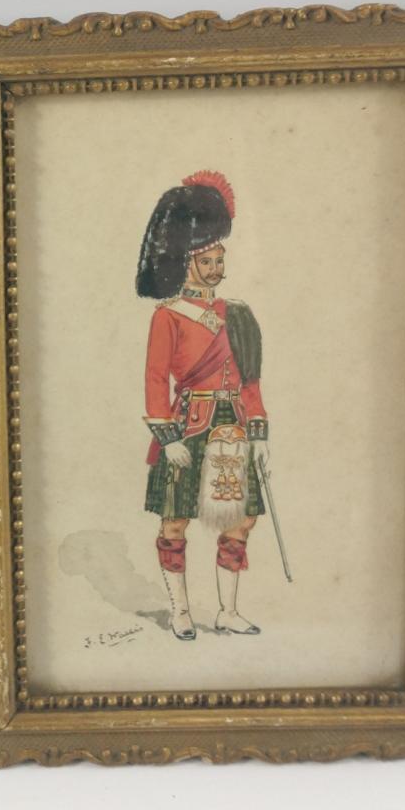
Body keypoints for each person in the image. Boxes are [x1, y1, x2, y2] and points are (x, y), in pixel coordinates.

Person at [136, 170, 270, 640]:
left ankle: (227, 611)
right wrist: (168, 437)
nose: (216, 269)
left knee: (242, 519)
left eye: (219, 260)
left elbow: (249, 381)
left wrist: (260, 434)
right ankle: (180, 611)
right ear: (188, 264)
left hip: (234, 424)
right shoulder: (167, 317)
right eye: (207, 261)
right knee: (176, 521)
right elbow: (156, 379)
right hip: (189, 427)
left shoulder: (238, 315)